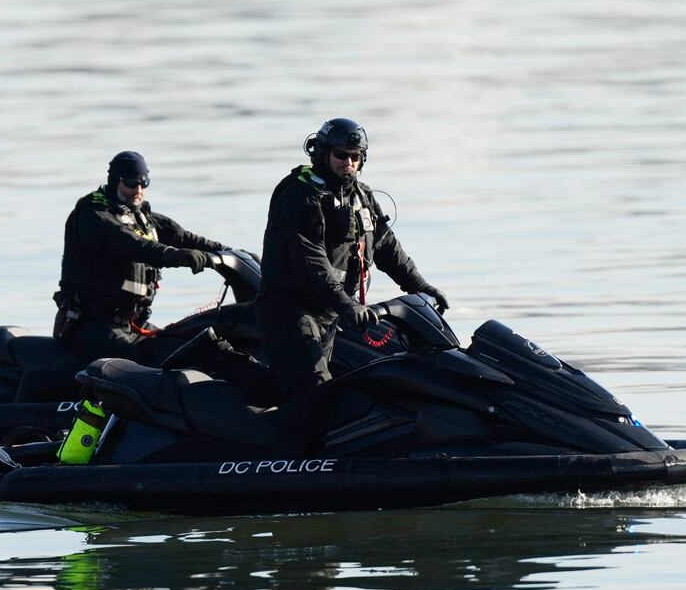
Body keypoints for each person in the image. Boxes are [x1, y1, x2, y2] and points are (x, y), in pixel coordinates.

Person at [255, 117, 448, 453]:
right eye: (342, 155)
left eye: (355, 157)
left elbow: (387, 247)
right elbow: (310, 260)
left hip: (329, 314)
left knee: (321, 386)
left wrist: (420, 287)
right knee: (312, 389)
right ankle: (288, 465)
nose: (349, 163)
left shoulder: (362, 196)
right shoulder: (300, 195)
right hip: (290, 310)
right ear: (323, 153)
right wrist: (347, 304)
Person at [53, 151, 224, 362]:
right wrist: (176, 256)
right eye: (132, 183)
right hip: (89, 325)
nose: (138, 191)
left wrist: (226, 252)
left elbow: (182, 237)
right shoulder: (92, 215)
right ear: (116, 181)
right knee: (135, 365)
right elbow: (131, 243)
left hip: (132, 325)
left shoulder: (140, 216)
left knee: (183, 349)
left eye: (144, 184)